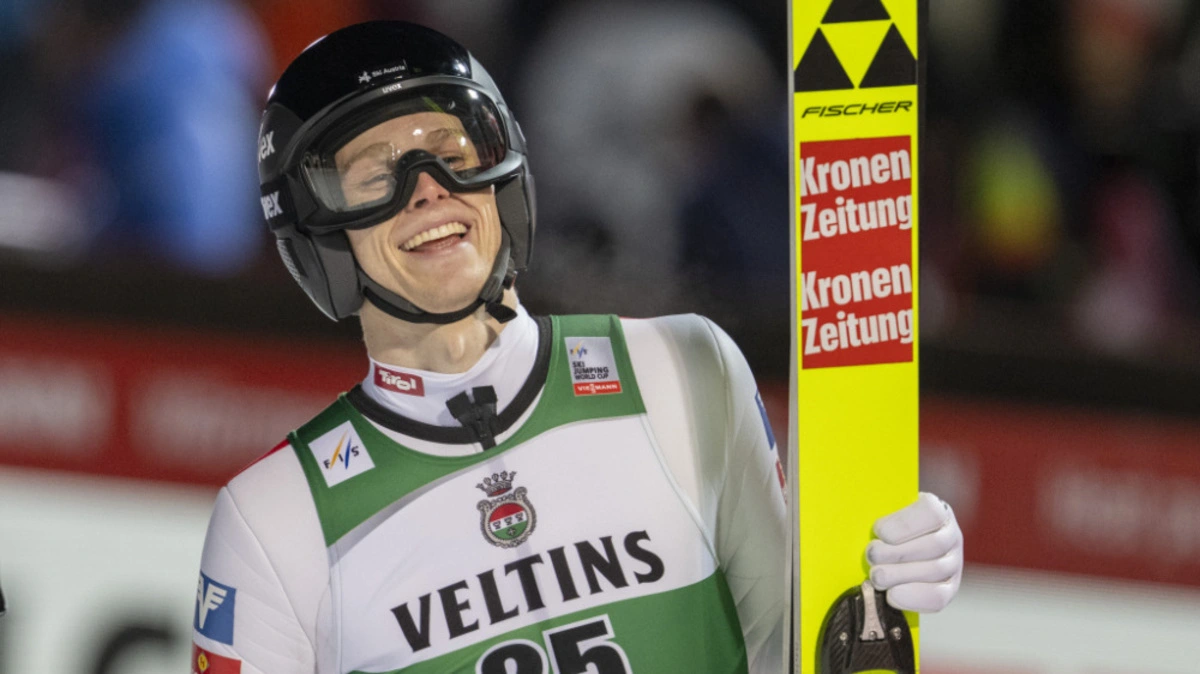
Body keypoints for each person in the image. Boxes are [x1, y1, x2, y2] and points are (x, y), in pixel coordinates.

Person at [192, 21, 963, 674]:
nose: (427, 189)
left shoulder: (680, 371)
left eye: (452, 154)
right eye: (375, 178)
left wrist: (871, 577)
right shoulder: (275, 522)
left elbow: (787, 648)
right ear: (317, 237)